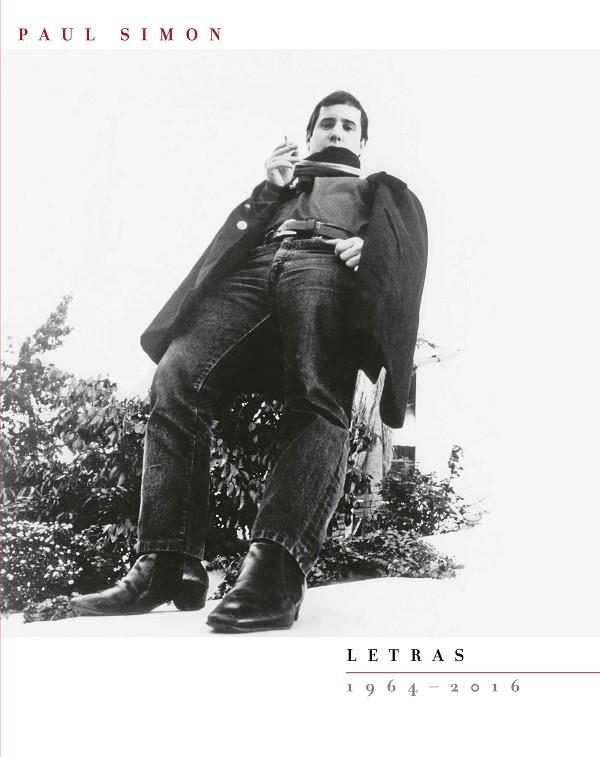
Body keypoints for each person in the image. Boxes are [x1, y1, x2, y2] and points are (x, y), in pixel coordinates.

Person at [69, 90, 428, 632]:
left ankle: (275, 573)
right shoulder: (281, 187)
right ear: (310, 135)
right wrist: (269, 189)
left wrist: (371, 252)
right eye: (326, 123)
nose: (336, 131)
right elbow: (230, 240)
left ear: (361, 141)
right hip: (256, 267)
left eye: (347, 126)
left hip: (326, 262)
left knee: (317, 396)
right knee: (177, 377)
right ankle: (167, 563)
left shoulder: (377, 189)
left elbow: (404, 251)